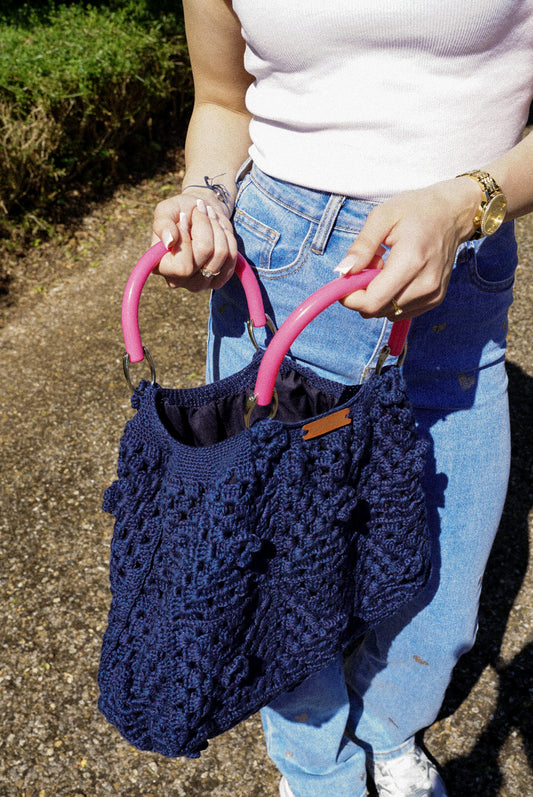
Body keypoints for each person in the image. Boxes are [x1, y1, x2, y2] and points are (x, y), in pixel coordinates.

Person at [151, 2, 533, 795]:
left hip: (457, 276)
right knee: (276, 575)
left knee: (441, 588)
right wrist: (204, 197)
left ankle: (388, 727)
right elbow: (221, 103)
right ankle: (315, 768)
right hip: (279, 262)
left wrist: (464, 202)